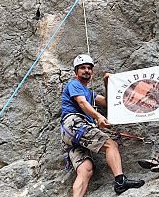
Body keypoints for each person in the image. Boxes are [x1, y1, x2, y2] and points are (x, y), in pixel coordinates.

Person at [60, 54, 145, 196]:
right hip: (75, 124)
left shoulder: (89, 92)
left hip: (70, 135)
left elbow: (107, 103)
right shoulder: (74, 85)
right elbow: (82, 102)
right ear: (76, 72)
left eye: (89, 68)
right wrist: (98, 116)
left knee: (85, 169)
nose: (86, 70)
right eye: (82, 68)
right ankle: (120, 181)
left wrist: (107, 83)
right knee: (110, 145)